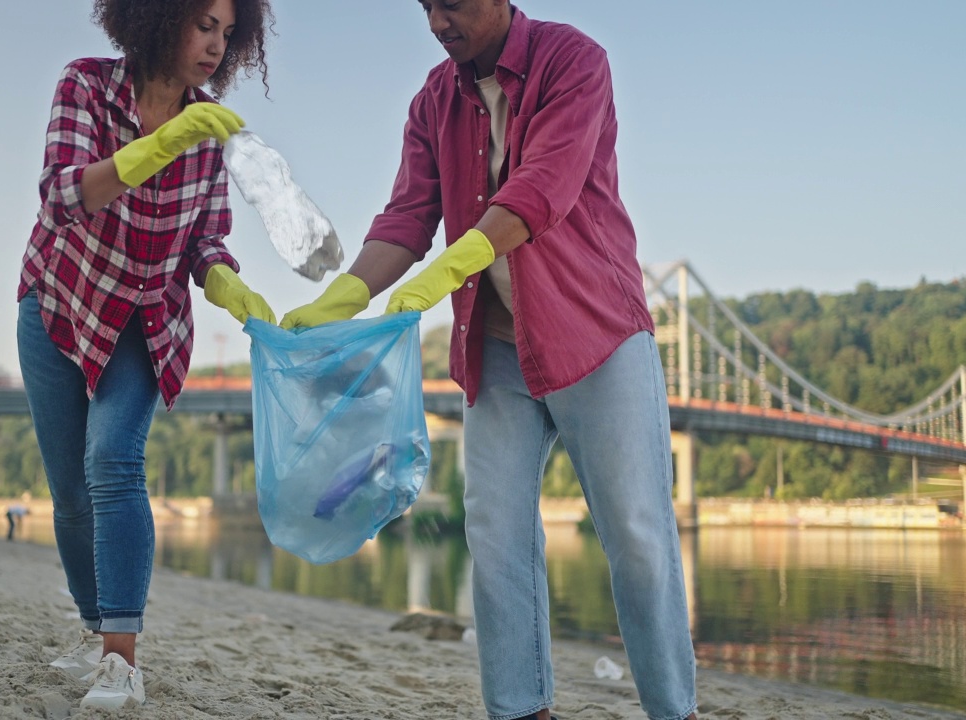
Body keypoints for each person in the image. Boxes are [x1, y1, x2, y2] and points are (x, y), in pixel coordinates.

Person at [281, 2, 699, 719]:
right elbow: (409, 216)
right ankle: (519, 709)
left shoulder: (575, 63)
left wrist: (448, 268)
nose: (439, 20)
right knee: (495, 535)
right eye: (426, 5)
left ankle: (673, 710)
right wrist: (344, 296)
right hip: (496, 349)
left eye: (453, 2)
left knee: (637, 533)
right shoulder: (432, 100)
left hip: (598, 334)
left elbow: (544, 188)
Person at [15, 0, 275, 709]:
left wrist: (226, 284)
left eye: (227, 31)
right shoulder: (86, 87)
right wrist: (160, 144)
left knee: (113, 461)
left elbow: (207, 238)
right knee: (70, 492)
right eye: (203, 24)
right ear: (157, 17)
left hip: (144, 320)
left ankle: (120, 661)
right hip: (59, 304)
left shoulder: (209, 131)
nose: (216, 45)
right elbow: (63, 195)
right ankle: (95, 629)